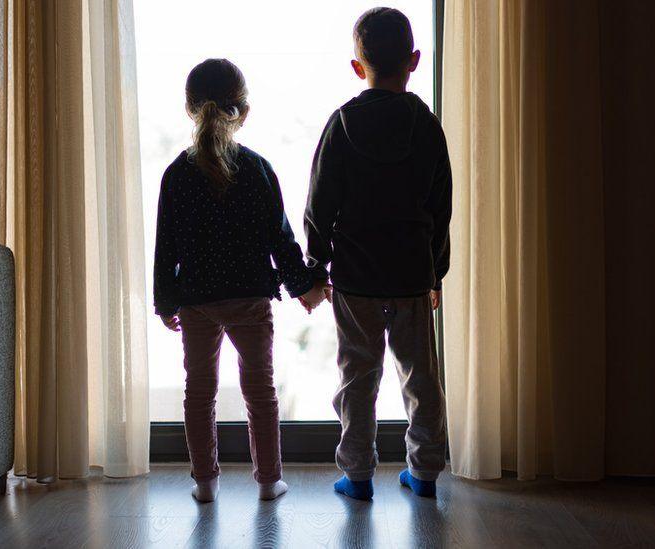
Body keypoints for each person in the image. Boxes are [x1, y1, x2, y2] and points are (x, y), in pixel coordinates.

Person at [153, 58, 328, 503]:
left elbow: (165, 247)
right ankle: (269, 481)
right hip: (250, 298)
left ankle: (205, 483)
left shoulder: (176, 174)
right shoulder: (257, 169)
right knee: (260, 390)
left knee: (200, 391)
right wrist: (305, 286)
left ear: (191, 109)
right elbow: (281, 240)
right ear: (243, 111)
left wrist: (165, 302)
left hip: (196, 300)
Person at [304, 7, 452, 500]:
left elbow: (319, 204)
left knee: (357, 378)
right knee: (420, 378)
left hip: (355, 277)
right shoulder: (427, 126)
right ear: (414, 60)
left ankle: (358, 474)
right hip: (411, 273)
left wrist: (316, 264)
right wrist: (437, 273)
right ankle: (425, 472)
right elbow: (440, 207)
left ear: (356, 65)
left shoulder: (342, 124)